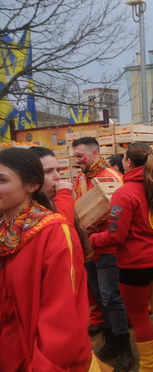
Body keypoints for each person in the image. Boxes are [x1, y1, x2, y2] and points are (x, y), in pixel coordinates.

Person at [89, 143, 153, 371]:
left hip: (136, 266)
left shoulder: (124, 193)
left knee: (139, 318)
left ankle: (149, 367)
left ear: (128, 162)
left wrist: (91, 239)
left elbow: (116, 236)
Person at [0, 148, 93, 371]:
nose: (57, 176)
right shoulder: (6, 230)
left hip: (36, 360)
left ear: (32, 185)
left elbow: (62, 322)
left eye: (2, 180)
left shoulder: (53, 233)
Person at [71, 136, 132, 369]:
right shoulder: (80, 179)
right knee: (99, 297)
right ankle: (111, 341)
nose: (77, 161)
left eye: (80, 156)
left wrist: (99, 226)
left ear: (94, 154)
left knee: (111, 297)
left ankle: (125, 348)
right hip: (89, 249)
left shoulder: (112, 177)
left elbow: (121, 214)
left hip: (108, 249)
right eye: (75, 157)